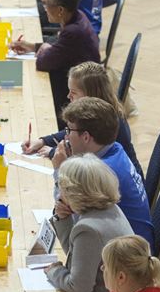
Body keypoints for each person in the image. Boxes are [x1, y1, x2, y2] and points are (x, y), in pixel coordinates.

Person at [54, 98, 154, 248]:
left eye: (69, 130)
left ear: (86, 137)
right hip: (131, 243)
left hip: (126, 257)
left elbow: (72, 217)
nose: (66, 137)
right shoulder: (115, 148)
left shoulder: (102, 171)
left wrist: (60, 170)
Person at [45, 154, 133, 292]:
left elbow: (78, 287)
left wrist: (53, 271)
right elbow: (77, 258)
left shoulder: (89, 228)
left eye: (63, 189)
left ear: (75, 193)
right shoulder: (109, 209)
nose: (59, 195)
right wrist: (62, 218)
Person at [23, 61, 143, 179]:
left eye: (73, 92)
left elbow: (84, 161)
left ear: (90, 95)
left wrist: (54, 152)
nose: (68, 96)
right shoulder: (99, 113)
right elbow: (74, 131)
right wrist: (43, 141)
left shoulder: (106, 122)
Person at [10, 0, 99, 123]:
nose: (45, 8)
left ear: (60, 10)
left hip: (78, 92)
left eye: (47, 4)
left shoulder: (73, 32)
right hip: (77, 78)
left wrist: (44, 50)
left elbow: (43, 63)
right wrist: (32, 46)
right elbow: (60, 48)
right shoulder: (78, 16)